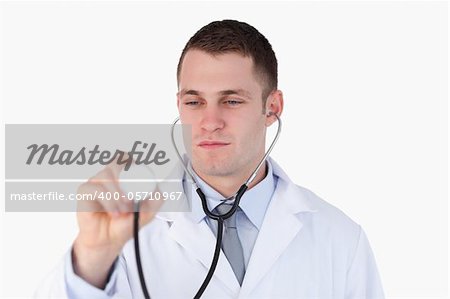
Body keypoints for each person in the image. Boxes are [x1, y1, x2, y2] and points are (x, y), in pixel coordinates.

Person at [36, 19, 384, 298]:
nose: (210, 121)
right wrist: (92, 258)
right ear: (178, 106)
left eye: (231, 101)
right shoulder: (129, 234)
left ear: (272, 108)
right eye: (194, 102)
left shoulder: (339, 239)